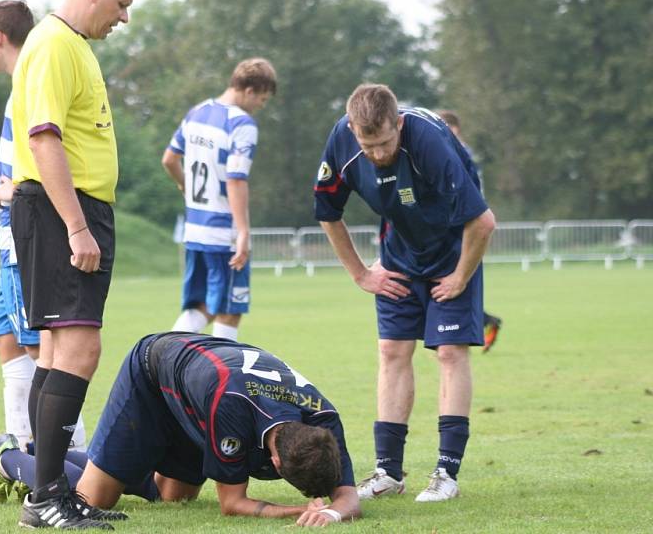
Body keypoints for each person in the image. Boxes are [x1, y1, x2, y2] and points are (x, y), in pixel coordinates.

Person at [9, 0, 143, 529]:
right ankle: (46, 498)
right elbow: (44, 140)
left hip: (69, 210)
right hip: (63, 211)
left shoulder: (72, 45)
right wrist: (78, 226)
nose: (124, 17)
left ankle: (49, 489)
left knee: (62, 351)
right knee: (81, 350)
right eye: (121, 3)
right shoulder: (55, 43)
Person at [313, 84, 495, 503]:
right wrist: (360, 274)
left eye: (383, 143)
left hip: (454, 251)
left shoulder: (428, 142)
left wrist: (461, 277)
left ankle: (446, 473)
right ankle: (387, 472)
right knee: (392, 352)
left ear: (398, 124)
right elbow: (327, 212)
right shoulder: (342, 139)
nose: (376, 153)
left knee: (449, 353)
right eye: (367, 144)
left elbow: (482, 222)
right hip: (399, 253)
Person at [0, 332, 361, 529]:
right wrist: (298, 509)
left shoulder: (323, 419)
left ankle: (54, 455)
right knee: (95, 498)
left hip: (197, 386)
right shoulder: (231, 410)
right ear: (275, 461)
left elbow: (348, 497)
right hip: (152, 371)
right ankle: (12, 458)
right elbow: (232, 505)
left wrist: (331, 513)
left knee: (173, 495)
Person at [0, 0, 89, 453]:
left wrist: (13, 192)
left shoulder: (29, 82)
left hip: (24, 237)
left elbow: (43, 150)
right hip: (10, 240)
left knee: (43, 350)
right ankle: (20, 439)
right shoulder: (18, 85)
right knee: (7, 339)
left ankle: (69, 455)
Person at [161, 58, 277, 342]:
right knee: (228, 309)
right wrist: (243, 232)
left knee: (202, 306)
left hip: (195, 230)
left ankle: (163, 358)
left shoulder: (197, 112)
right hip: (222, 231)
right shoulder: (242, 124)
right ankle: (222, 380)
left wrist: (185, 187)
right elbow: (236, 179)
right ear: (249, 90)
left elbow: (169, 159)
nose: (261, 105)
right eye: (262, 99)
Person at [436, 110, 503, 353]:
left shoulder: (461, 153)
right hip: (453, 226)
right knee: (445, 288)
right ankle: (488, 321)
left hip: (465, 225)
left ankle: (484, 323)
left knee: (454, 286)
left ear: (456, 128)